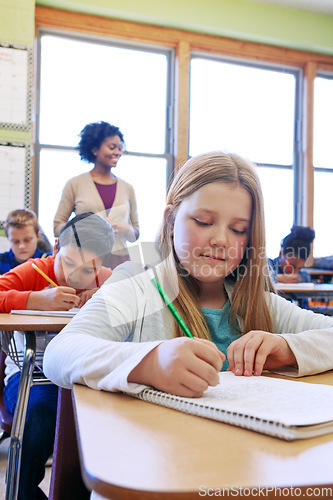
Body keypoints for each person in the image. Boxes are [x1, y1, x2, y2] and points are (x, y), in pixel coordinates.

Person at [44, 151, 333, 445]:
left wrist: (287, 348)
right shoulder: (139, 287)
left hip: (244, 458)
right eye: (203, 221)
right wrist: (149, 363)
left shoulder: (256, 302)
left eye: (238, 229)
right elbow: (60, 353)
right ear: (171, 221)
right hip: (155, 458)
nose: (220, 239)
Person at [1, 212, 114, 500]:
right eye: (69, 263)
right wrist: (34, 299)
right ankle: (24, 493)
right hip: (31, 378)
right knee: (38, 418)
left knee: (98, 426)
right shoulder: (33, 270)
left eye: (88, 270)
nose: (77, 275)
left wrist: (103, 300)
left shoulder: (106, 281)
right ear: (54, 249)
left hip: (80, 378)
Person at [53, 121, 140, 269]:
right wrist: (83, 229)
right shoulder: (75, 184)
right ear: (95, 149)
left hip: (120, 262)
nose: (117, 152)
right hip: (85, 261)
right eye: (112, 147)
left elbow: (136, 233)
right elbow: (57, 227)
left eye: (120, 148)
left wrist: (126, 229)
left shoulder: (128, 188)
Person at [0, 209, 52, 275]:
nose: (22, 246)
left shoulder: (49, 262)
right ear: (8, 239)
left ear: (37, 236)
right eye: (15, 241)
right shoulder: (1, 262)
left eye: (27, 240)